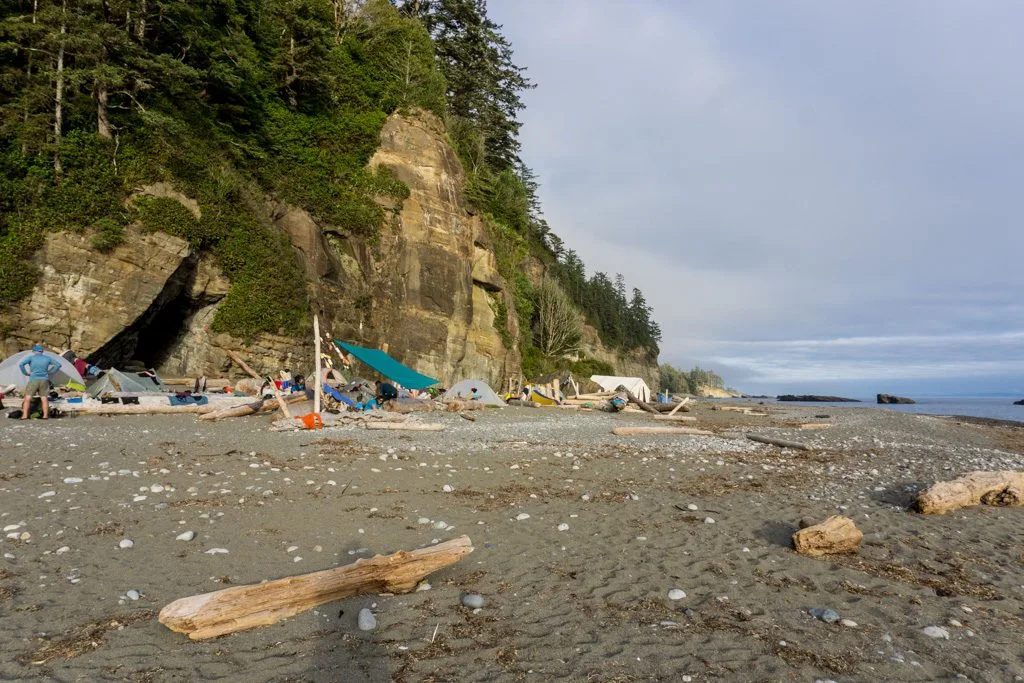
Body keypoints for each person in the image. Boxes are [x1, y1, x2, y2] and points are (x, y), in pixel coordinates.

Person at [19, 345, 60, 420]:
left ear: (34, 351)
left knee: (27, 398)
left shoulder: (31, 357)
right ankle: (45, 416)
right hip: (44, 380)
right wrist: (50, 372)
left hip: (33, 379)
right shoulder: (47, 358)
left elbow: (21, 364)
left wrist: (25, 373)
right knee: (44, 398)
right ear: (42, 351)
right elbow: (58, 365)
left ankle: (24, 416)